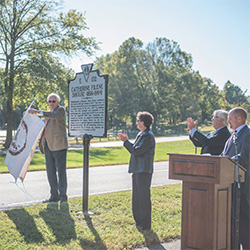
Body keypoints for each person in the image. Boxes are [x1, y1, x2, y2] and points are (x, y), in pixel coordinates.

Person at [118, 111, 155, 231]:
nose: (136, 122)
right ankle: (138, 221)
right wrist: (127, 142)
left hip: (143, 170)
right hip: (137, 169)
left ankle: (145, 224)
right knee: (136, 197)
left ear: (143, 122)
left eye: (138, 120)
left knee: (143, 197)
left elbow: (137, 151)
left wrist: (125, 142)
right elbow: (135, 149)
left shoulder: (148, 136)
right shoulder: (141, 134)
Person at [29, 93, 68, 203]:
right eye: (49, 101)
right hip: (48, 146)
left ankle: (63, 197)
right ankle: (54, 196)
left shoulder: (61, 111)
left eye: (53, 101)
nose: (51, 103)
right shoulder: (48, 114)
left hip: (59, 145)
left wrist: (36, 111)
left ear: (58, 102)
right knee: (50, 172)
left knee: (61, 172)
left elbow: (54, 116)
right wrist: (29, 115)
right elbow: (39, 124)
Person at [221, 107, 250, 249]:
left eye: (230, 119)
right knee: (233, 221)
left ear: (240, 119)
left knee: (244, 222)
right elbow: (224, 156)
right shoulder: (233, 135)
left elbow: (244, 157)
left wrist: (228, 162)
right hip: (230, 184)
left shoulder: (247, 134)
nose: (228, 123)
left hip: (243, 187)